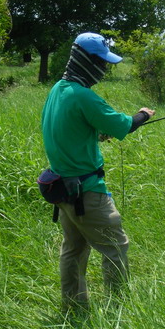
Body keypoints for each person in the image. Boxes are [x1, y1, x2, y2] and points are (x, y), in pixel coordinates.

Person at [41, 32, 154, 314]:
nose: (104, 69)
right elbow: (125, 125)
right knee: (115, 246)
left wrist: (95, 134)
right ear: (87, 60)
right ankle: (120, 309)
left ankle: (73, 306)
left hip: (63, 189)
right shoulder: (84, 96)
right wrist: (144, 115)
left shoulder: (59, 89)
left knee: (73, 250)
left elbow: (72, 129)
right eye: (101, 62)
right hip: (88, 192)